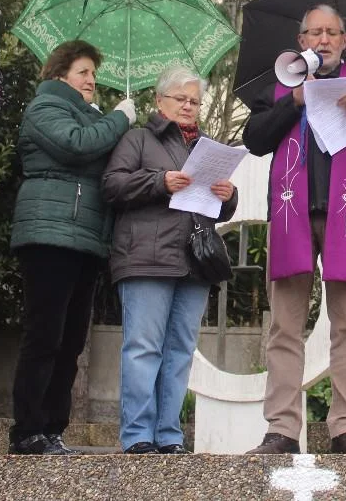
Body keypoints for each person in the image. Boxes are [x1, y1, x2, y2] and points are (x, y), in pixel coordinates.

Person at [243, 4, 346, 455]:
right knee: (285, 326)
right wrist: (293, 103)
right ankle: (282, 429)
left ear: (345, 42)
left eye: (332, 32)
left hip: (345, 216)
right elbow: (255, 139)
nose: (324, 40)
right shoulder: (279, 87)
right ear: (301, 42)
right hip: (290, 216)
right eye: (315, 32)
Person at [8, 40, 136, 455]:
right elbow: (76, 144)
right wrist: (119, 118)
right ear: (60, 74)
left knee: (71, 340)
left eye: (94, 74)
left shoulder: (92, 117)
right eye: (83, 72)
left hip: (87, 236)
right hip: (49, 233)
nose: (91, 80)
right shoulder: (44, 108)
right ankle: (27, 430)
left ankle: (52, 428)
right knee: (45, 333)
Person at [103, 65, 237, 454]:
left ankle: (169, 435)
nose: (189, 106)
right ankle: (137, 436)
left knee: (180, 351)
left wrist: (229, 196)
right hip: (145, 258)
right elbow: (111, 185)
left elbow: (218, 209)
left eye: (195, 101)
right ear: (159, 100)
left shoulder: (208, 148)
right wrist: (159, 181)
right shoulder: (137, 139)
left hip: (195, 262)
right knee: (143, 347)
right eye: (181, 98)